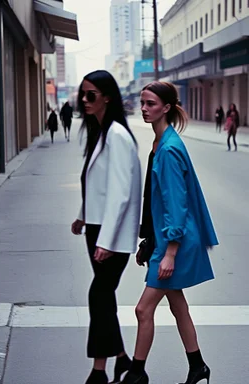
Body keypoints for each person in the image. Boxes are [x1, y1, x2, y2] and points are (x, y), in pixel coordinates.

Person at [120, 81, 218, 384]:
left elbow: (177, 204)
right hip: (163, 239)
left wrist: (170, 253)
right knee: (177, 305)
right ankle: (198, 366)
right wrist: (149, 241)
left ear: (166, 107)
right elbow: (156, 202)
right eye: (143, 103)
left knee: (142, 309)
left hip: (174, 242)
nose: (144, 109)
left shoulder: (169, 149)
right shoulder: (161, 142)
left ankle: (136, 373)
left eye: (151, 104)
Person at [71, 70, 142, 384]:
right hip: (96, 227)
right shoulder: (101, 133)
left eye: (91, 95)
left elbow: (120, 193)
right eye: (82, 95)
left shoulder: (117, 135)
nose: (84, 101)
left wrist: (108, 241)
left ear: (108, 97)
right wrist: (83, 215)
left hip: (110, 233)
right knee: (103, 296)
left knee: (98, 295)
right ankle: (122, 360)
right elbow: (96, 184)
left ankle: (98, 372)